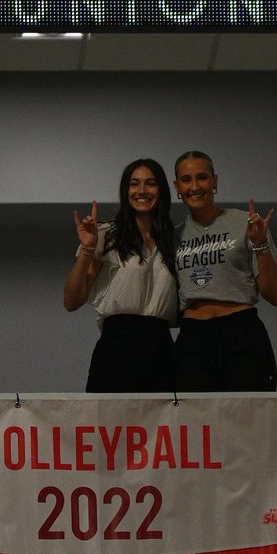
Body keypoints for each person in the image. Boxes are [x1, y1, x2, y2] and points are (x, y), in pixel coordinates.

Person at [171, 150, 277, 391]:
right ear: (177, 187)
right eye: (186, 179)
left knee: (249, 421)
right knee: (197, 424)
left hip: (241, 332)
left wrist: (260, 244)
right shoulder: (173, 235)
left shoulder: (246, 223)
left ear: (215, 181)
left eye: (202, 177)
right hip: (193, 337)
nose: (195, 186)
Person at [63, 158, 178, 393]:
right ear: (126, 191)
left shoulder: (174, 239)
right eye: (134, 184)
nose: (142, 191)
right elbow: (71, 301)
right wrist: (87, 248)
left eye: (151, 183)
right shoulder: (106, 234)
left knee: (165, 429)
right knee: (112, 429)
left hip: (161, 345)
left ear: (162, 190)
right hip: (117, 346)